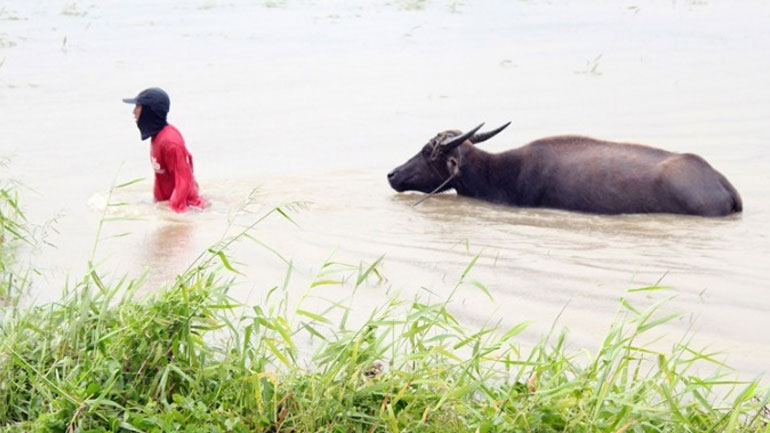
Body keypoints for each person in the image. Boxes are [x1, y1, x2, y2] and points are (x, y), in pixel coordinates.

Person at [123, 87, 205, 213]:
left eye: (138, 106)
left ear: (149, 111)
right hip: (165, 205)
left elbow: (184, 180)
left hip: (186, 210)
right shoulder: (157, 137)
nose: (133, 112)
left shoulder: (170, 143)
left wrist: (174, 216)